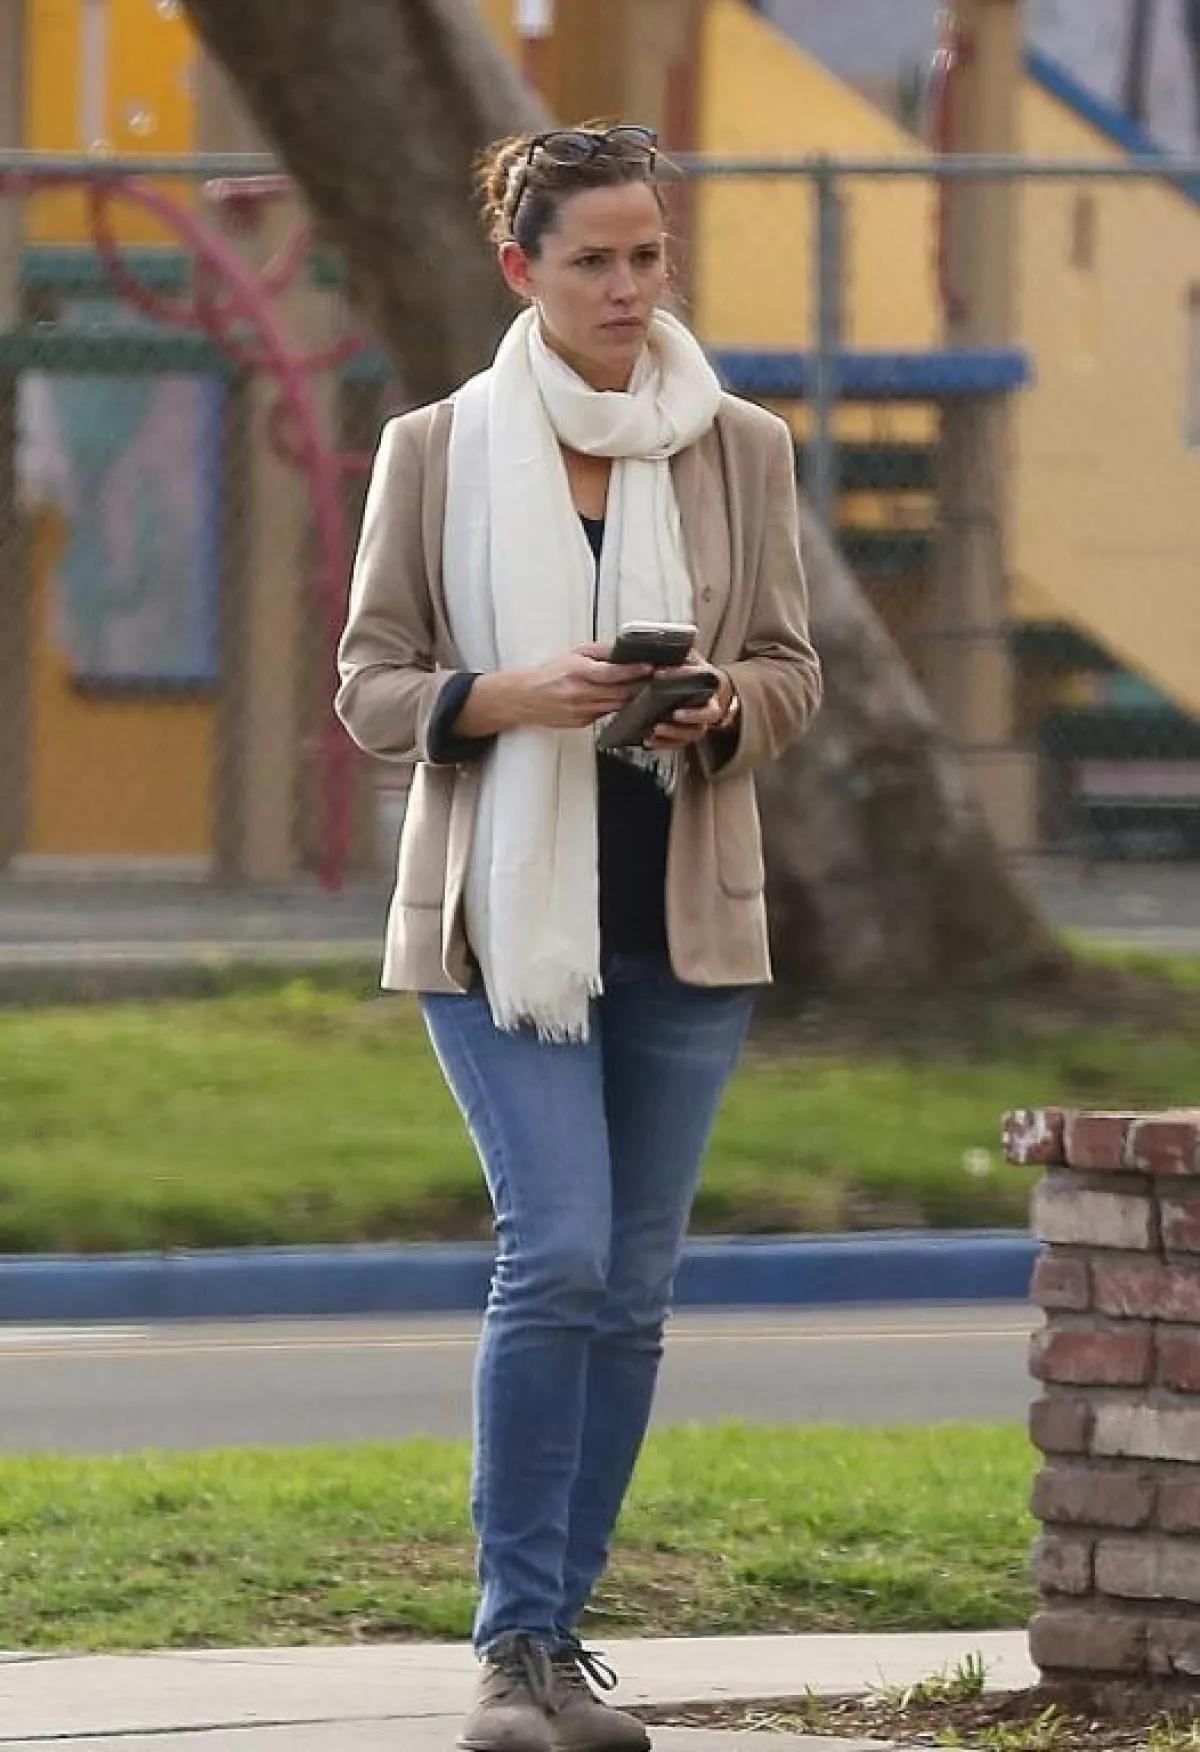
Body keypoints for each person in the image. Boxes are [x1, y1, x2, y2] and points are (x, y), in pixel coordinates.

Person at [336, 122, 822, 1752]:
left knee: (631, 1290)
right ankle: (510, 1649)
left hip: (682, 922)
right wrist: (504, 695)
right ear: (521, 269)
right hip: (500, 930)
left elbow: (791, 666)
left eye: (648, 255)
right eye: (594, 260)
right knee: (555, 1255)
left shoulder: (741, 445)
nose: (628, 287)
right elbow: (371, 687)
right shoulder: (437, 448)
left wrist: (716, 707)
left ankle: (561, 1649)